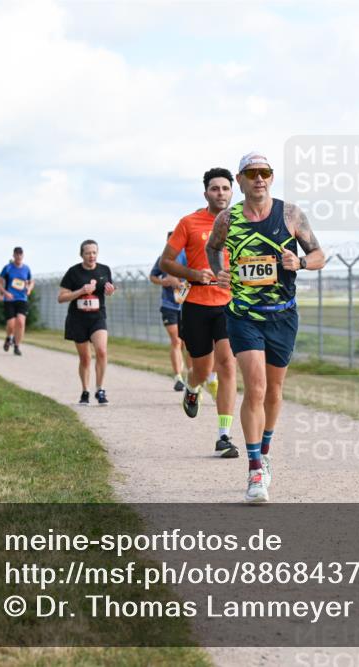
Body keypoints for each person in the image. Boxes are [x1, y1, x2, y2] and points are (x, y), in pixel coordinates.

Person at [206, 151, 326, 503]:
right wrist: (218, 271)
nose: (259, 178)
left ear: (271, 178)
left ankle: (266, 449)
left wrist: (300, 262)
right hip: (243, 315)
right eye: (252, 173)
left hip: (282, 315)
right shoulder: (227, 219)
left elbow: (320, 255)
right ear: (240, 180)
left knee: (274, 390)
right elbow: (213, 249)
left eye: (266, 172)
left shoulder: (290, 214)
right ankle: (255, 469)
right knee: (255, 387)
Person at [160, 167, 239, 458]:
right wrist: (194, 272)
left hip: (230, 305)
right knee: (203, 370)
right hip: (196, 305)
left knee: (228, 366)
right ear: (206, 192)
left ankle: (224, 437)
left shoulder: (243, 223)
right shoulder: (189, 223)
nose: (221, 193)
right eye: (215, 188)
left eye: (225, 188)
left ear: (233, 191)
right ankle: (192, 387)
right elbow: (167, 262)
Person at [58, 240, 116, 405]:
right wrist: (81, 291)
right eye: (88, 253)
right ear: (81, 254)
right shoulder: (73, 272)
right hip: (78, 319)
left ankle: (100, 389)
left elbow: (108, 289)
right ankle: (85, 391)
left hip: (98, 317)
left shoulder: (104, 270)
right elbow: (61, 297)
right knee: (85, 358)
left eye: (94, 252)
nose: (91, 256)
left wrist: (110, 291)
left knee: (102, 351)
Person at [150, 232, 191, 390]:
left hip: (187, 304)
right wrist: (164, 281)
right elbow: (153, 276)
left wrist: (183, 283)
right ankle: (178, 377)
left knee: (188, 342)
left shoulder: (189, 255)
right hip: (169, 305)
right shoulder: (163, 258)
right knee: (176, 340)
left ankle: (190, 375)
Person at [0, 247, 34, 356]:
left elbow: (31, 282)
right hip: (10, 299)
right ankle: (9, 338)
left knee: (21, 323)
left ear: (23, 256)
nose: (18, 257)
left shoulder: (26, 269)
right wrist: (5, 293)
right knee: (11, 324)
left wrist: (29, 288)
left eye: (20, 255)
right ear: (13, 256)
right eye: (16, 255)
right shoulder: (7, 268)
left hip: (22, 299)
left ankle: (17, 346)